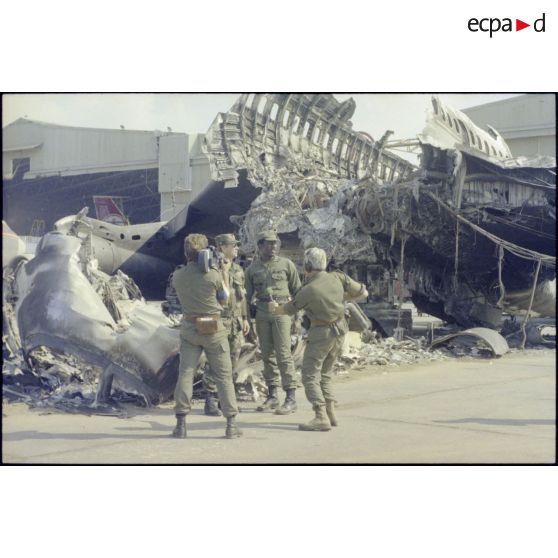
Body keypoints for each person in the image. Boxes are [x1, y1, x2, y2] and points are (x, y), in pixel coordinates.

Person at [272, 247, 368, 431]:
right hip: (340, 331)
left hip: (321, 334)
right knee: (325, 374)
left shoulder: (308, 290)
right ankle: (331, 413)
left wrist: (273, 308)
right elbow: (364, 293)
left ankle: (320, 416)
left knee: (309, 375)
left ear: (307, 266)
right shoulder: (338, 277)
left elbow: (287, 310)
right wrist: (340, 299)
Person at [171, 233, 241, 439]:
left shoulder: (178, 276)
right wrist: (224, 273)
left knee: (186, 373)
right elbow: (224, 301)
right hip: (213, 329)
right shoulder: (213, 275)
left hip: (190, 328)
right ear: (205, 252)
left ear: (186, 253)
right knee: (223, 376)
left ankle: (181, 424)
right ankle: (231, 424)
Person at [245, 230, 301, 414]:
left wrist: (297, 317)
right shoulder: (252, 269)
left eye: (275, 243)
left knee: (283, 353)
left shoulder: (287, 265)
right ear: (260, 246)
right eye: (269, 243)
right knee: (267, 355)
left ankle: (291, 397)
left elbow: (298, 293)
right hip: (262, 311)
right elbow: (245, 298)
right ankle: (272, 396)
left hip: (282, 309)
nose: (274, 246)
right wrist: (247, 321)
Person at [203, 233, 250, 416]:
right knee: (213, 359)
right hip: (217, 319)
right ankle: (210, 399)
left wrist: (245, 318)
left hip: (235, 321)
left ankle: (226, 399)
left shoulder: (238, 270)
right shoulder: (210, 269)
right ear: (222, 247)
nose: (236, 248)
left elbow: (242, 296)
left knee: (232, 360)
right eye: (232, 245)